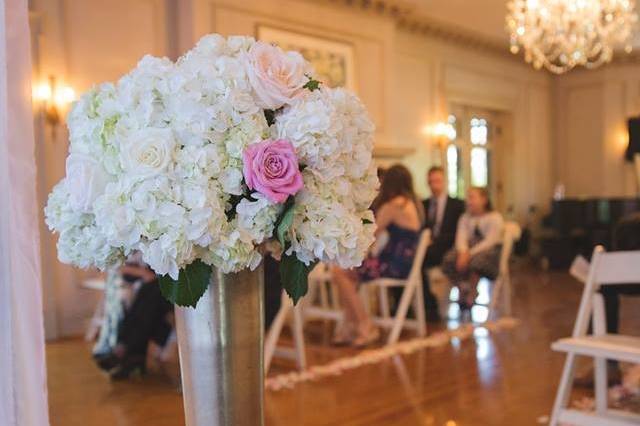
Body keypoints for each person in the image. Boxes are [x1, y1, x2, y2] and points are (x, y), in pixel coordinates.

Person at [331, 164, 424, 347]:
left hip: (392, 264)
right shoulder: (413, 203)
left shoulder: (394, 206)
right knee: (347, 275)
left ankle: (365, 324)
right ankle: (352, 326)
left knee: (339, 272)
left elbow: (371, 235)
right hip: (404, 264)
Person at [95, 256, 174, 380]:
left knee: (152, 293)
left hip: (167, 286)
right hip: (155, 286)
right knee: (148, 297)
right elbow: (118, 266)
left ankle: (127, 350)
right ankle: (131, 353)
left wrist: (146, 274)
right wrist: (144, 273)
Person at [442, 187, 503, 311]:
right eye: (468, 197)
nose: (469, 201)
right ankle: (461, 288)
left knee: (477, 262)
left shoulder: (495, 217)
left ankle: (473, 291)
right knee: (449, 260)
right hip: (467, 250)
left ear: (484, 199)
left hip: (487, 252)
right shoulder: (465, 218)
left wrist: (469, 254)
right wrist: (463, 252)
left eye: (472, 197)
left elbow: (490, 241)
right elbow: (461, 237)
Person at [421, 166, 465, 321]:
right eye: (431, 181)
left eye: (437, 181)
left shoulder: (458, 205)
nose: (434, 185)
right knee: (414, 259)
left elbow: (459, 232)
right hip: (427, 247)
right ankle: (426, 304)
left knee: (417, 260)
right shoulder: (423, 204)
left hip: (447, 248)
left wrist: (435, 242)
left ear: (444, 181)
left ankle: (429, 305)